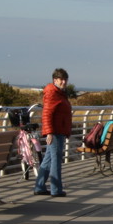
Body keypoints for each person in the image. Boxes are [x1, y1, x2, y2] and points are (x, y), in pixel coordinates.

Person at [34, 68, 72, 198]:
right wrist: (49, 132)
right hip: (55, 132)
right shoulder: (52, 93)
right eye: (61, 79)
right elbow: (47, 113)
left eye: (65, 79)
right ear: (55, 80)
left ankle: (39, 187)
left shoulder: (59, 93)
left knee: (48, 160)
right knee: (56, 161)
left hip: (58, 130)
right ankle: (56, 189)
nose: (63, 82)